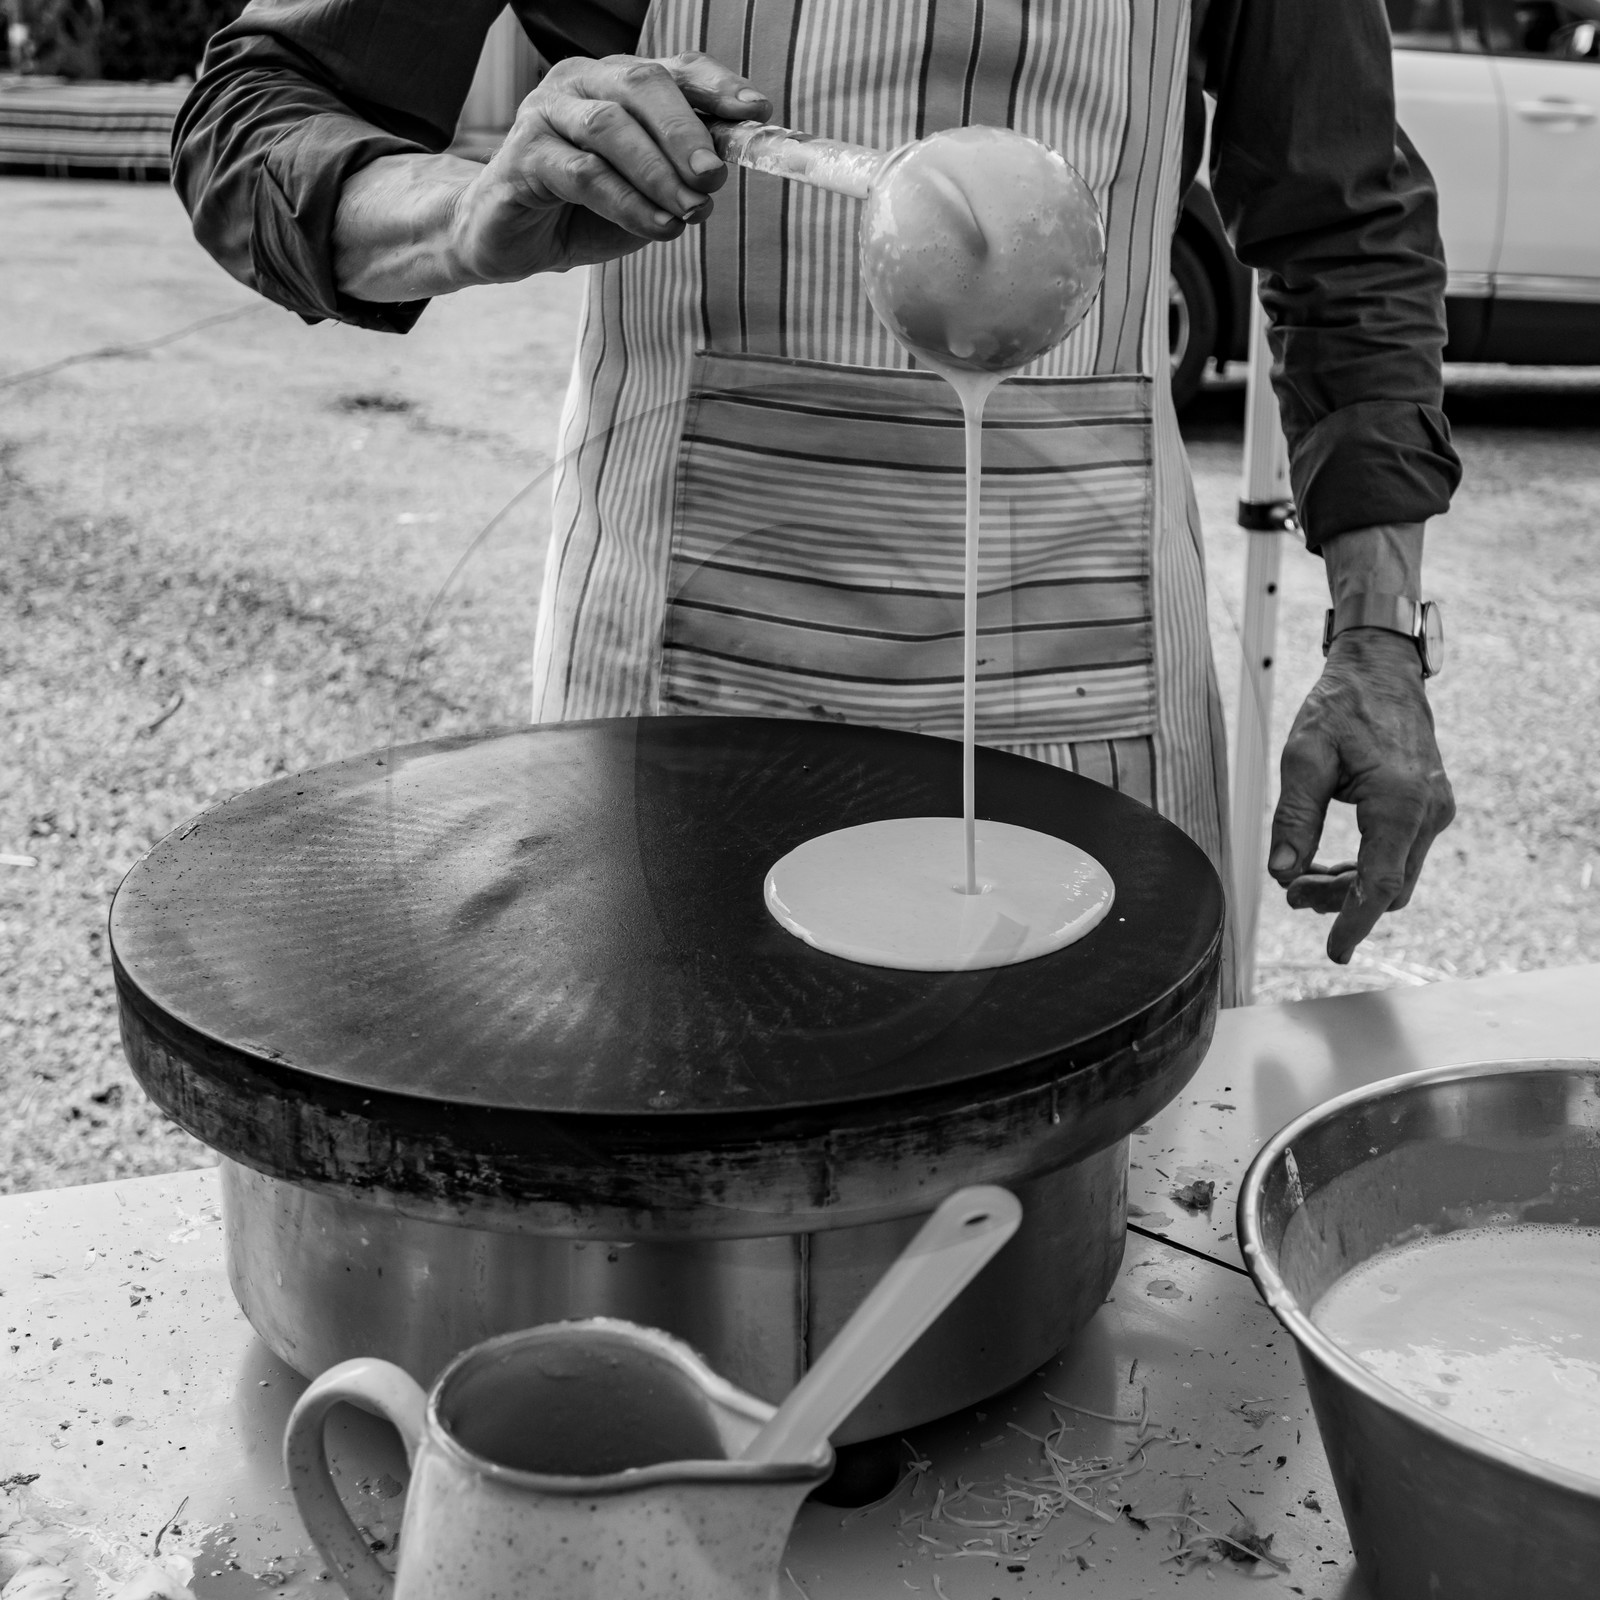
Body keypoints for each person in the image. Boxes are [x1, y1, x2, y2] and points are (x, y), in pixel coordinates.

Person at [172, 0, 1461, 999]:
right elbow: (254, 116)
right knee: (677, 1171)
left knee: (1095, 1216)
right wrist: (466, 215)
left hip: (1095, 669)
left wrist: (1377, 641)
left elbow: (1339, 218)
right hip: (683, 671)